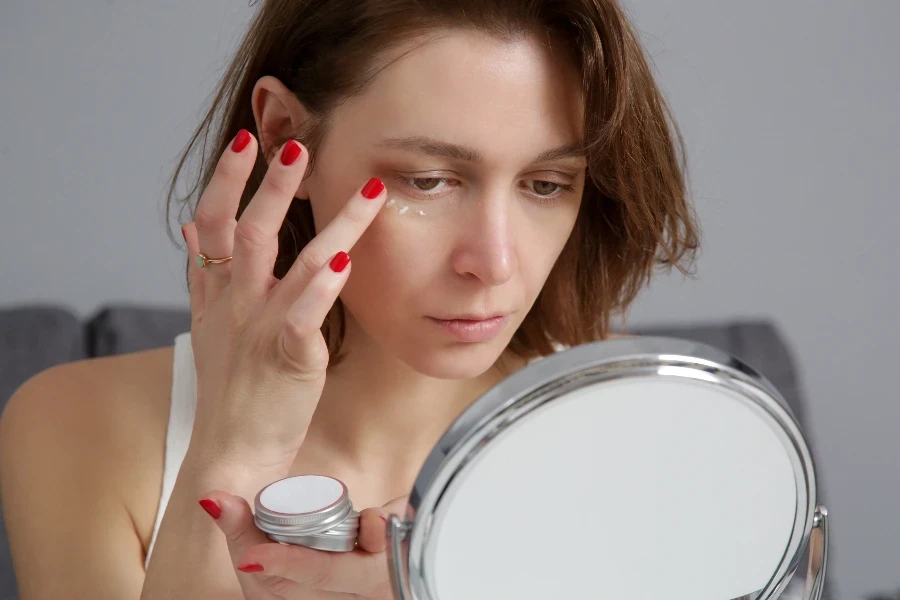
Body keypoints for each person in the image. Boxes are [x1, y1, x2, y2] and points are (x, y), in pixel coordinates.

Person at [0, 0, 699, 598]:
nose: (495, 262)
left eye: (545, 184)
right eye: (429, 180)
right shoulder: (76, 423)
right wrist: (230, 451)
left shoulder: (646, 418)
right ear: (283, 138)